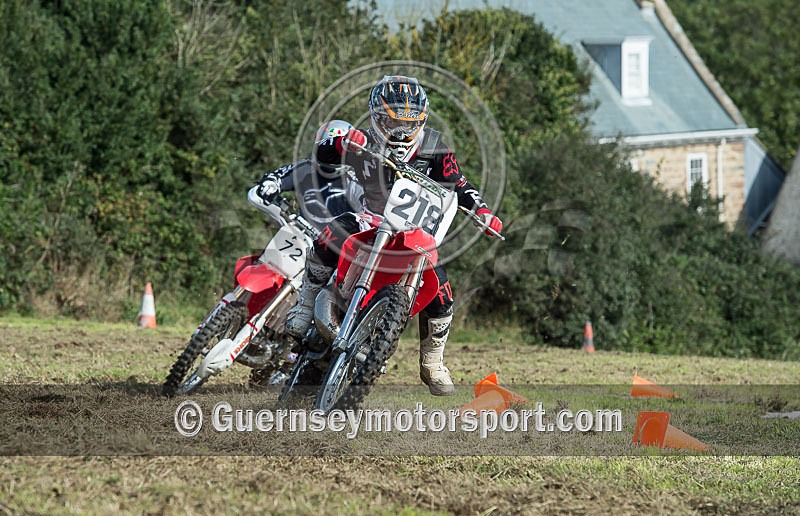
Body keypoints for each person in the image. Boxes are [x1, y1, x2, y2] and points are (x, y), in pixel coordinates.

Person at [284, 75, 503, 396]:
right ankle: (305, 306)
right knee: (332, 233)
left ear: (421, 121)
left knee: (442, 288)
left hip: (412, 231)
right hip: (368, 219)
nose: (401, 132)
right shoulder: (363, 141)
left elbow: (459, 183)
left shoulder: (435, 148)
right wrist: (342, 142)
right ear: (376, 118)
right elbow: (323, 151)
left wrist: (482, 210)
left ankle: (433, 361)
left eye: (409, 124)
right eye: (392, 122)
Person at [252, 119, 361, 231]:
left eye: (332, 150)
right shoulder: (307, 167)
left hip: (341, 240)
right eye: (323, 147)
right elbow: (278, 176)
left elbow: (367, 216)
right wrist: (270, 184)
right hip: (301, 235)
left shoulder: (356, 179)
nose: (328, 153)